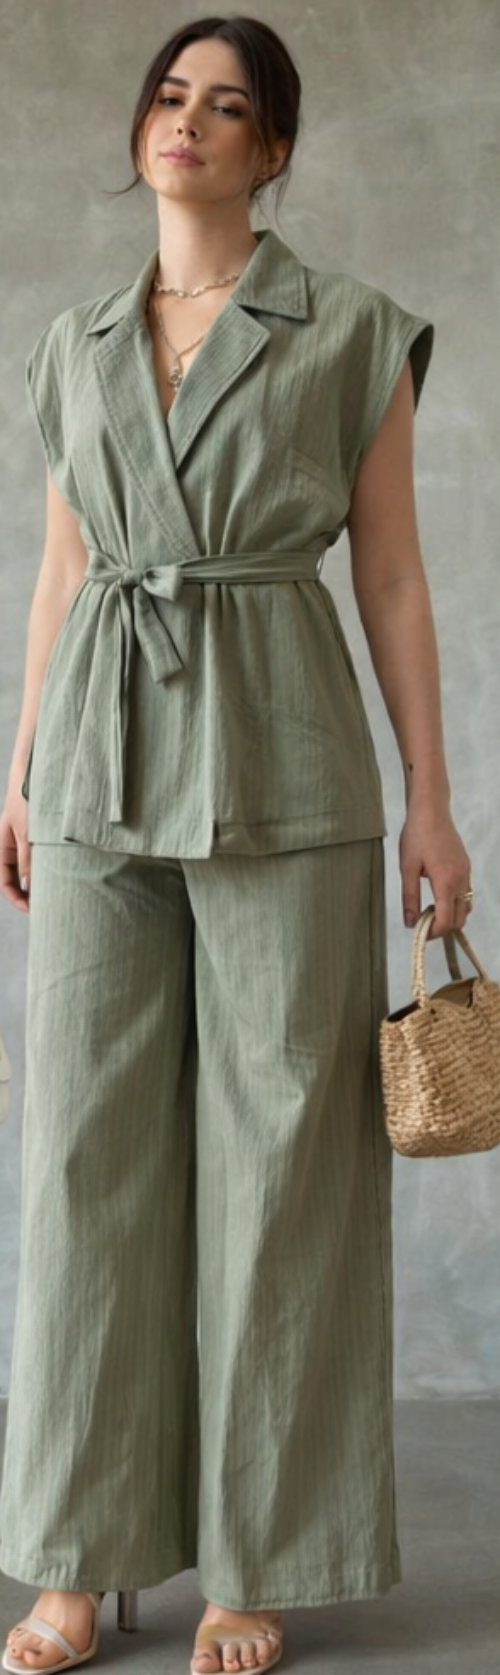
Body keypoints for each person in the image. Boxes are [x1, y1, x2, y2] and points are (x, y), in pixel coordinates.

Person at [0, 14, 471, 1675]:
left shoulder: (350, 334)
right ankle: (76, 1558)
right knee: (85, 1161)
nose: (185, 121)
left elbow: (391, 576)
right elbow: (65, 571)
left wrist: (433, 798)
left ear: (273, 150)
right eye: (168, 95)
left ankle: (257, 1558)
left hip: (286, 753)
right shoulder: (73, 345)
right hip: (98, 761)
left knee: (283, 1159)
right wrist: (20, 764)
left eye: (226, 105)